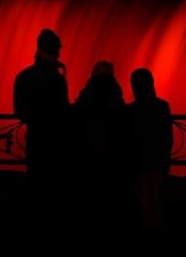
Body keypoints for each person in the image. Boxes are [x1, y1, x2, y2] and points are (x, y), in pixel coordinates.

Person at [13, 28, 70, 234]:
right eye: (58, 49)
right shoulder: (57, 79)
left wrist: (35, 121)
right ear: (54, 51)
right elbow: (64, 110)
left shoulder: (24, 77)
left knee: (36, 184)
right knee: (54, 187)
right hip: (56, 141)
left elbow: (19, 111)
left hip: (36, 139)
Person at [73, 61, 131, 236]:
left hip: (89, 148)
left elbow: (76, 115)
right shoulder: (115, 93)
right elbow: (122, 120)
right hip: (112, 150)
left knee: (91, 190)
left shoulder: (87, 93)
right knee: (110, 191)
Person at [128, 68, 173, 234]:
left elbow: (129, 137)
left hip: (140, 158)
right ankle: (159, 225)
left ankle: (148, 227)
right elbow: (167, 135)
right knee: (156, 192)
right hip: (158, 157)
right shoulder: (162, 106)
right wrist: (167, 156)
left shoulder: (131, 110)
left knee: (145, 193)